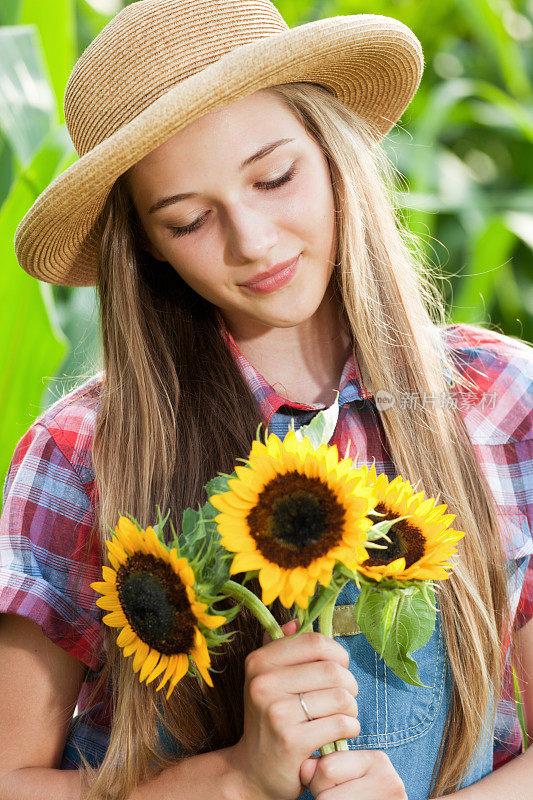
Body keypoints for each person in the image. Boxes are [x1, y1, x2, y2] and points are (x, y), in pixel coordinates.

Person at [0, 0, 532, 799]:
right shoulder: (86, 452)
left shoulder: (495, 398)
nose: (251, 241)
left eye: (274, 177)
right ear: (144, 245)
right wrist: (234, 777)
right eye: (187, 221)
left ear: (331, 149)